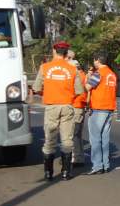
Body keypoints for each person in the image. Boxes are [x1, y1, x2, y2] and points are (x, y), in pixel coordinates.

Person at [32, 40, 83, 181]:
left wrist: (47, 91)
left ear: (54, 51)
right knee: (67, 140)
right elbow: (79, 90)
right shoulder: (73, 69)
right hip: (67, 106)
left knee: (50, 140)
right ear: (66, 53)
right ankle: (66, 173)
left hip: (51, 107)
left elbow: (36, 88)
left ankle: (48, 173)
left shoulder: (45, 67)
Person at [86, 53, 117, 175]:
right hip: (109, 108)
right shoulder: (112, 74)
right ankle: (105, 164)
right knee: (105, 138)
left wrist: (88, 77)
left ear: (97, 60)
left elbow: (88, 87)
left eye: (94, 60)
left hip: (99, 108)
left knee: (95, 139)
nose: (94, 63)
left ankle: (97, 165)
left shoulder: (99, 73)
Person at [68, 54, 88, 166]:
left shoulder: (77, 76)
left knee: (73, 134)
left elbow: (74, 92)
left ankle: (75, 158)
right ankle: (78, 157)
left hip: (76, 105)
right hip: (80, 106)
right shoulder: (83, 75)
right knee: (78, 134)